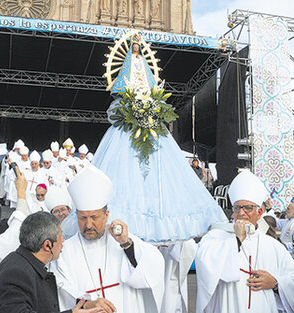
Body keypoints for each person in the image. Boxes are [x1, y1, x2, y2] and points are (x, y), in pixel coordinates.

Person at [92, 34, 227, 242]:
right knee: (128, 172)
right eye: (134, 48)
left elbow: (151, 86)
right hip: (131, 119)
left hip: (148, 116)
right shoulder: (129, 65)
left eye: (138, 47)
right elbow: (119, 90)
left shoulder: (144, 68)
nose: (136, 50)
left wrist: (148, 100)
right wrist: (134, 101)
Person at [51, 166, 165, 313]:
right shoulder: (64, 251)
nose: (88, 225)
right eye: (83, 218)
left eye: (94, 217)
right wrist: (87, 303)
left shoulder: (123, 240)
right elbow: (60, 289)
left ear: (106, 215)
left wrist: (126, 244)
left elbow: (153, 270)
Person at [195, 170, 294, 313]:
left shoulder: (272, 245)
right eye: (237, 208)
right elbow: (205, 266)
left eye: (248, 208)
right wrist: (237, 240)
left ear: (260, 212)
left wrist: (275, 283)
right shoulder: (217, 237)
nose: (241, 213)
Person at [0, 211, 104, 313]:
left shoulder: (26, 263)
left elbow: (46, 300)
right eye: (60, 236)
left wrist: (84, 304)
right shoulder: (16, 273)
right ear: (48, 245)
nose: (63, 240)